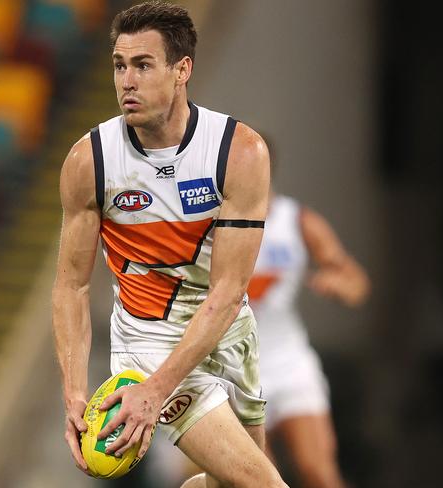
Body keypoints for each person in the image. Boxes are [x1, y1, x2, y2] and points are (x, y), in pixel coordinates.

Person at [51, 3, 287, 487]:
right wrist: (76, 392)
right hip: (148, 344)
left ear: (183, 69)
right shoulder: (90, 161)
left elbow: (227, 292)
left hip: (228, 330)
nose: (126, 81)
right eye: (120, 65)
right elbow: (71, 286)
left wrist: (156, 393)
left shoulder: (238, 153)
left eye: (143, 65)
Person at [247, 192, 370, 488]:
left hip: (289, 361)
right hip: (237, 368)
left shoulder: (298, 221)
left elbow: (357, 285)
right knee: (257, 478)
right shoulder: (209, 219)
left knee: (319, 473)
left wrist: (339, 285)